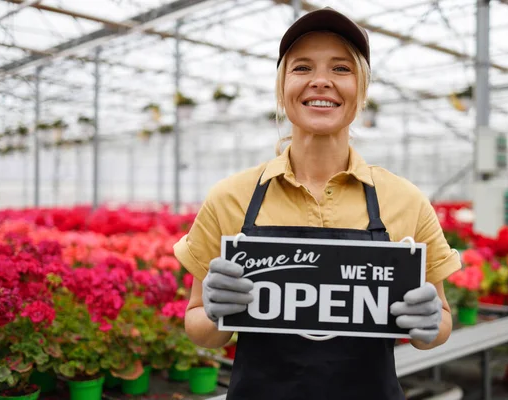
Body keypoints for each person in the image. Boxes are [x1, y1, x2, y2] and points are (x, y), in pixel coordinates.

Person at [174, 7, 461, 400]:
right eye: (302, 67)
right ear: (282, 87)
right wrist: (214, 311)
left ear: (361, 88)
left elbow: (441, 322)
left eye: (341, 69)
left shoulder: (405, 201)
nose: (321, 81)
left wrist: (430, 325)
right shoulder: (230, 197)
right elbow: (198, 326)